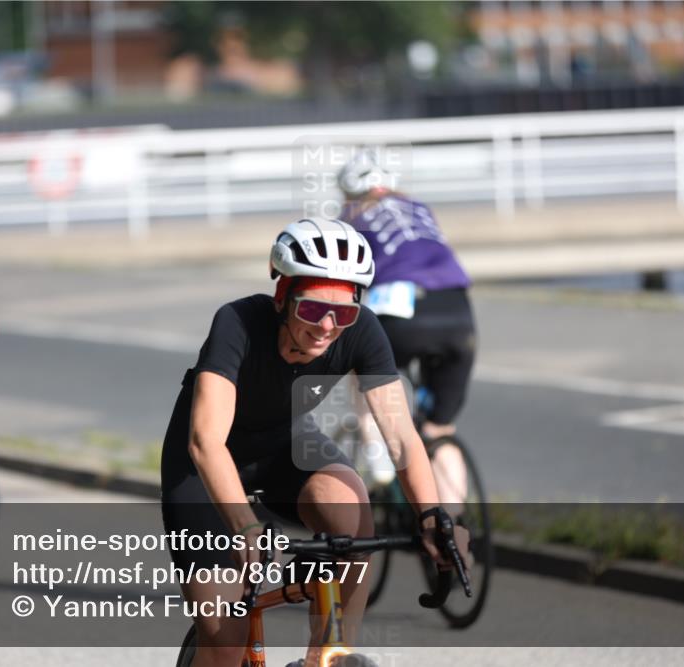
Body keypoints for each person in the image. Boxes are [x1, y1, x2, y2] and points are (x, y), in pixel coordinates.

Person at [160, 218, 468, 667]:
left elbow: (400, 435)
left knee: (351, 505)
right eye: (312, 309)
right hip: (204, 469)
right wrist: (245, 526)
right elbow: (206, 441)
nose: (327, 325)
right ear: (283, 296)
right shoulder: (238, 322)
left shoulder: (363, 330)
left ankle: (327, 654)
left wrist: (432, 516)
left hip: (283, 448)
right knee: (226, 639)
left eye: (342, 313)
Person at [337, 149, 477, 506]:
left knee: (362, 372)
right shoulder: (420, 209)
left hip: (401, 313)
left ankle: (380, 465)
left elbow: (345, 283)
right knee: (441, 429)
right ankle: (454, 531)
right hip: (458, 312)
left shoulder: (351, 218)